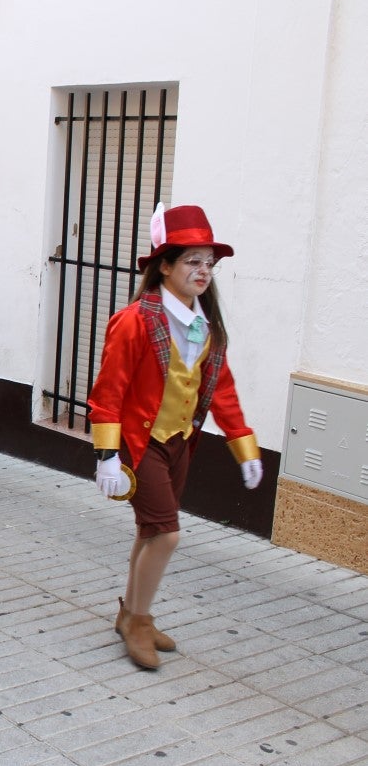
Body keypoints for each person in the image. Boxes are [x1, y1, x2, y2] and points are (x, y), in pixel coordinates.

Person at [88, 203, 262, 670]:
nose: (203, 271)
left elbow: (219, 388)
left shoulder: (206, 324)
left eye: (209, 263)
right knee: (166, 535)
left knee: (150, 530)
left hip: (180, 442)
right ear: (164, 266)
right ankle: (140, 620)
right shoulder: (135, 320)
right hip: (139, 443)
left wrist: (243, 444)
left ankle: (129, 613)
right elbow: (109, 390)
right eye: (192, 261)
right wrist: (106, 455)